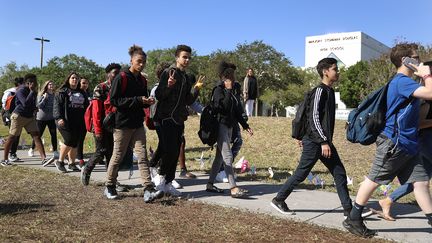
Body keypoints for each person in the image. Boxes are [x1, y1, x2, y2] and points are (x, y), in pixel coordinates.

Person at [343, 43, 432, 238]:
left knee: (421, 183)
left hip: (409, 144)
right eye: (415, 57)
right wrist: (426, 75)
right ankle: (354, 218)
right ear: (405, 60)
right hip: (394, 143)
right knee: (374, 179)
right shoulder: (401, 81)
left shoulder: (408, 83)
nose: (419, 60)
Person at [271, 58, 353, 217]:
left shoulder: (329, 91)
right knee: (301, 174)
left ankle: (349, 210)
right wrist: (323, 141)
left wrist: (325, 141)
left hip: (323, 142)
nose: (338, 72)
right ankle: (279, 199)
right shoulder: (320, 91)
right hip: (315, 142)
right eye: (335, 69)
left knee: (339, 173)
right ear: (325, 72)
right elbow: (313, 117)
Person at [104, 44, 161, 202]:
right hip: (122, 124)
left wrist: (147, 102)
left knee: (142, 156)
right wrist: (138, 100)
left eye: (143, 62)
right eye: (138, 61)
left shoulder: (142, 80)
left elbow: (141, 100)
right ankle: (109, 186)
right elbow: (114, 100)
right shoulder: (121, 77)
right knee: (118, 156)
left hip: (137, 124)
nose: (141, 64)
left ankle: (148, 189)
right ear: (131, 61)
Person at [154, 44, 204, 196]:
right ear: (177, 58)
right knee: (168, 150)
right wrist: (168, 86)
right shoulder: (168, 73)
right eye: (184, 57)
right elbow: (159, 95)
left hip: (178, 119)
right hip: (165, 117)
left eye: (189, 57)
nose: (187, 60)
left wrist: (196, 89)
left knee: (175, 151)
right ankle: (161, 180)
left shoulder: (186, 78)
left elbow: (187, 100)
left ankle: (169, 183)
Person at [377, 100, 432, 221]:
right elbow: (418, 123)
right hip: (426, 143)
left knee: (420, 181)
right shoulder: (427, 102)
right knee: (420, 181)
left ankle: (388, 200)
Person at [206, 61, 253, 198]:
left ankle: (209, 184)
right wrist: (227, 90)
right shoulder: (218, 90)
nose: (234, 78)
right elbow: (223, 108)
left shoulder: (232, 90)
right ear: (224, 76)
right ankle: (233, 187)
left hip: (230, 126)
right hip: (220, 126)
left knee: (219, 158)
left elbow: (236, 110)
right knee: (227, 156)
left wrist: (245, 126)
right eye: (231, 75)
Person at [1, 74, 54, 166]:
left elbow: (32, 103)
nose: (37, 84)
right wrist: (31, 91)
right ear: (29, 83)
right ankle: (4, 160)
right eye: (35, 82)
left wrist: (35, 108)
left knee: (37, 136)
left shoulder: (33, 91)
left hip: (30, 117)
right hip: (19, 117)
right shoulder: (20, 91)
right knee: (12, 137)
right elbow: (25, 104)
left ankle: (44, 159)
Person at [81, 63, 120, 186]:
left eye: (119, 73)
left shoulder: (119, 88)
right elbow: (96, 111)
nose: (117, 75)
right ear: (108, 74)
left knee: (112, 153)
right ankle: (86, 169)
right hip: (100, 125)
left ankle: (112, 180)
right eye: (115, 73)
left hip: (113, 126)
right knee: (101, 151)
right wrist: (97, 130)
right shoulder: (101, 88)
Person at [51, 72, 89, 172]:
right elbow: (57, 106)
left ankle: (71, 163)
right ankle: (60, 161)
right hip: (65, 121)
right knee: (69, 140)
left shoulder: (82, 92)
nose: (75, 80)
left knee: (75, 142)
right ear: (68, 79)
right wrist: (59, 118)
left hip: (79, 121)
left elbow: (87, 107)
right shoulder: (62, 91)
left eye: (76, 78)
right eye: (72, 78)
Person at [30, 80, 58, 161]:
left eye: (52, 84)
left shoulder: (55, 95)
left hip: (51, 118)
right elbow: (39, 106)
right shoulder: (41, 94)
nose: (51, 85)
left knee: (53, 134)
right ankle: (31, 149)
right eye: (49, 84)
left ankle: (55, 151)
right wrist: (45, 98)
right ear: (46, 86)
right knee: (38, 136)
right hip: (41, 118)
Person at [1, 77, 24, 163]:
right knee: (14, 135)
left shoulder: (22, 92)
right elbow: (5, 105)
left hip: (20, 116)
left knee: (16, 135)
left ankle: (12, 153)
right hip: (11, 116)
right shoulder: (10, 92)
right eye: (24, 83)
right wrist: (8, 116)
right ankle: (11, 154)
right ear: (19, 84)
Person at [75, 77, 90, 167]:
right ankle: (80, 158)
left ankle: (77, 156)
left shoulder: (86, 93)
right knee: (76, 140)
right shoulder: (77, 94)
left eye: (86, 83)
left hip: (84, 120)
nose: (85, 85)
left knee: (81, 139)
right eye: (83, 83)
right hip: (77, 119)